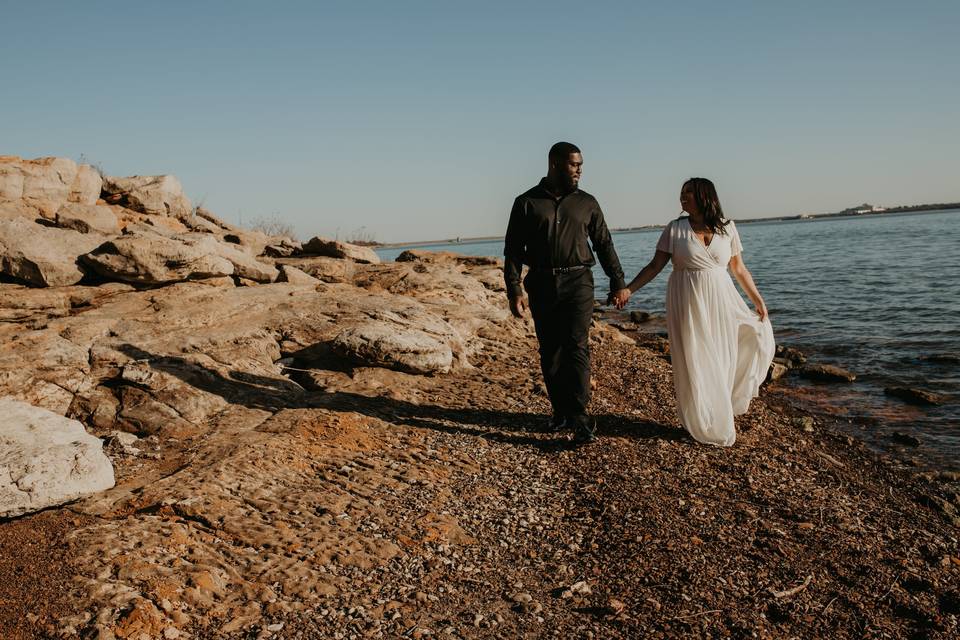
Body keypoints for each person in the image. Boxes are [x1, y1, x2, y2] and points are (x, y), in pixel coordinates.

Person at [615, 177, 774, 446]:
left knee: (726, 354)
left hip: (722, 300)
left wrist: (757, 300)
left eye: (688, 193)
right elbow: (655, 266)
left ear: (704, 196)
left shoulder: (728, 229)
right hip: (687, 300)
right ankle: (700, 420)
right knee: (696, 358)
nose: (682, 198)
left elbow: (738, 269)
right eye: (681, 194)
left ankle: (721, 411)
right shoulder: (674, 229)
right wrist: (629, 290)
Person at [504, 142, 631, 444]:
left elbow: (604, 244)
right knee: (551, 351)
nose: (580, 170)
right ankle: (560, 413)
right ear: (555, 164)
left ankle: (580, 418)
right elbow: (512, 251)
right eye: (574, 165)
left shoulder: (587, 202)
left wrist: (617, 281)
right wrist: (514, 289)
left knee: (576, 345)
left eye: (580, 165)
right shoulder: (526, 202)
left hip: (579, 283)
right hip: (542, 283)